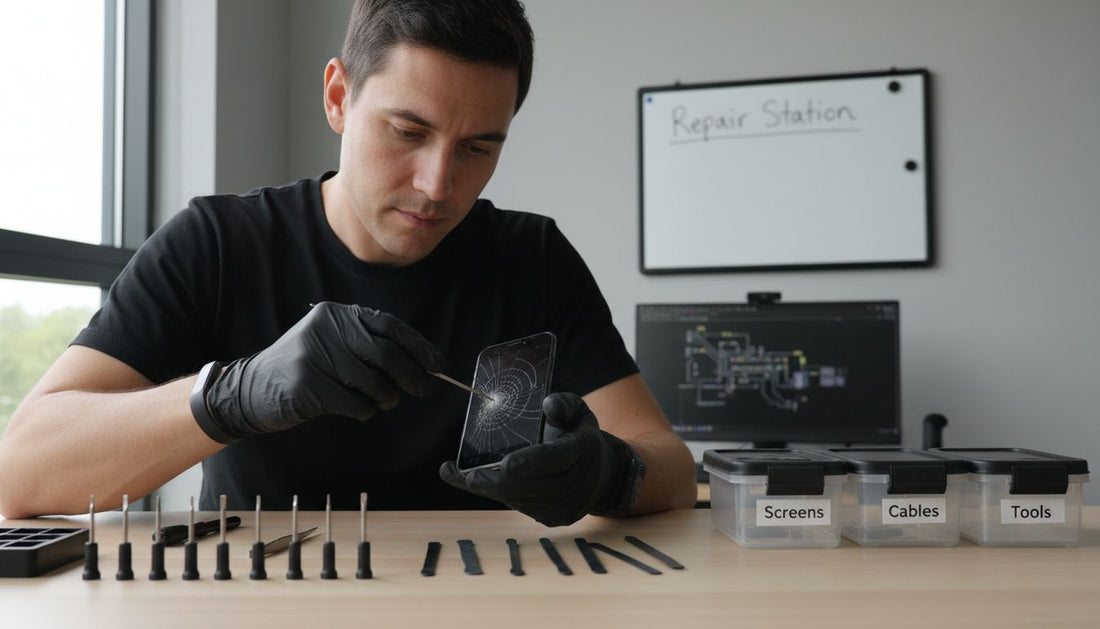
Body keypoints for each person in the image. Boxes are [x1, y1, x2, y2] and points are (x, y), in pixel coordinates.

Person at [0, 0, 696, 525]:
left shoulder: (532, 258)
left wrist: (607, 472)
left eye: (479, 148)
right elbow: (20, 471)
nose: (437, 183)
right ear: (339, 97)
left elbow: (668, 462)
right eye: (408, 131)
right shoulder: (216, 243)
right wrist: (231, 396)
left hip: (477, 602)